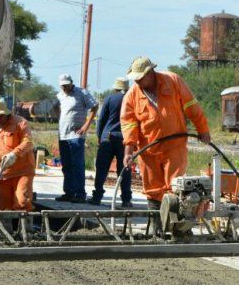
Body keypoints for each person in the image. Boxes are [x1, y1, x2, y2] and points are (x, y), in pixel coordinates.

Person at [121, 56, 211, 212]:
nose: (137, 82)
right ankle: (158, 229)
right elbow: (129, 125)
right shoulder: (132, 95)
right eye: (135, 79)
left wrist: (203, 129)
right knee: (153, 190)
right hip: (148, 151)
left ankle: (178, 229)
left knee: (176, 187)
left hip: (174, 147)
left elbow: (192, 107)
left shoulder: (173, 81)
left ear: (150, 73)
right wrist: (128, 152)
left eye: (140, 78)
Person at [89, 76, 132, 207]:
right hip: (125, 139)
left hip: (108, 136)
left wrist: (99, 136)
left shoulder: (109, 98)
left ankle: (97, 197)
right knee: (125, 169)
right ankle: (126, 200)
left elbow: (101, 119)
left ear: (115, 87)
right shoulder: (131, 99)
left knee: (102, 168)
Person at [55, 73, 97, 202]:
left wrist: (85, 126)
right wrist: (60, 118)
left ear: (71, 83)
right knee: (66, 165)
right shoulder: (60, 95)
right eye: (63, 86)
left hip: (76, 135)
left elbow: (94, 107)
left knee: (77, 164)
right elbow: (56, 107)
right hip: (63, 135)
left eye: (67, 85)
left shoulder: (81, 93)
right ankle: (69, 192)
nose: (65, 88)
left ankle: (80, 194)